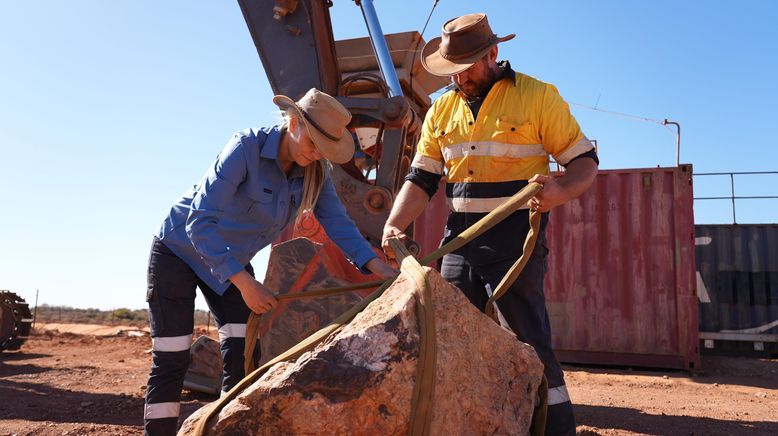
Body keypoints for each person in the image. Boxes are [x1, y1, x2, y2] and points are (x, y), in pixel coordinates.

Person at [381, 13, 598, 436]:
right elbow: (422, 179)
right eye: (453, 71)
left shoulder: (538, 97)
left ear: (493, 54)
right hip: (459, 240)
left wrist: (559, 191)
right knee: (447, 337)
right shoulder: (441, 110)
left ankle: (556, 428)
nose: (459, 78)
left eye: (466, 69)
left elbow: (583, 163)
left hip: (517, 238)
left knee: (528, 339)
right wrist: (393, 224)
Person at [144, 88, 395, 435]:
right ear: (294, 123)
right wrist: (245, 283)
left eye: (325, 148)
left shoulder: (315, 173)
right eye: (313, 143)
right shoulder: (244, 148)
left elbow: (339, 224)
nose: (317, 154)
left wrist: (376, 266)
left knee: (243, 357)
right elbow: (199, 221)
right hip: (179, 250)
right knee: (172, 358)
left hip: (230, 262)